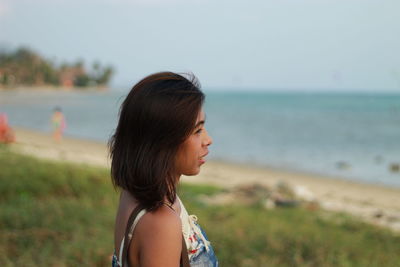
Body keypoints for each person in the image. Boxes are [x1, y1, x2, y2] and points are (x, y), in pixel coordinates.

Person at [109, 72, 218, 267]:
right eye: (197, 130)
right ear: (163, 141)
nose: (208, 140)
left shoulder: (134, 193)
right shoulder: (161, 223)